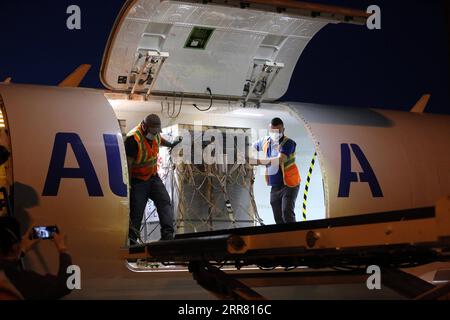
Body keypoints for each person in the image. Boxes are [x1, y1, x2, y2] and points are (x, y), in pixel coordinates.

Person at [125, 114, 183, 243]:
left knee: (164, 201)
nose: (154, 134)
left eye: (157, 132)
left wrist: (172, 144)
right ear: (144, 127)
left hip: (153, 178)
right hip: (138, 181)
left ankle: (167, 235)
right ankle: (133, 242)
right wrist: (128, 185)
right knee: (137, 212)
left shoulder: (155, 135)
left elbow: (161, 141)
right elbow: (127, 165)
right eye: (152, 132)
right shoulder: (133, 139)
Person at [0, 217, 73, 299]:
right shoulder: (23, 281)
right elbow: (68, 284)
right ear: (14, 247)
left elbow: (6, 265)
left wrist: (21, 250)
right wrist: (63, 248)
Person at [252, 118, 301, 224]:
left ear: (283, 129)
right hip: (275, 186)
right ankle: (283, 238)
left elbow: (280, 160)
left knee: (286, 213)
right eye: (273, 131)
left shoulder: (288, 143)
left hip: (289, 184)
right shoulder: (265, 141)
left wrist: (258, 161)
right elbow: (252, 146)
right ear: (269, 130)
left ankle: (295, 236)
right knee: (278, 217)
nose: (275, 133)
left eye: (278, 130)